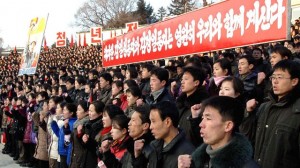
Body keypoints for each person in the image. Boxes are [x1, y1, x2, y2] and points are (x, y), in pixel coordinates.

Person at [178, 96, 258, 168]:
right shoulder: (198, 160)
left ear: (228, 126)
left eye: (208, 118)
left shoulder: (247, 165)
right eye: (203, 118)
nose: (201, 124)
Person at [249, 60, 300, 168]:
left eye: (280, 77)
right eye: (273, 77)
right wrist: (248, 114)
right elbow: (248, 137)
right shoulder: (264, 107)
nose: (274, 81)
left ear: (294, 81)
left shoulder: (297, 112)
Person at [134, 101, 195, 168]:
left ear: (167, 122)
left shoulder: (187, 154)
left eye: (153, 121)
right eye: (150, 121)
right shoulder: (153, 146)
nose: (150, 127)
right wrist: (138, 157)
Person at [176, 66, 209, 146]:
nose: (182, 82)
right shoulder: (180, 103)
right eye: (182, 79)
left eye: (186, 79)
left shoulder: (203, 105)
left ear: (196, 83)